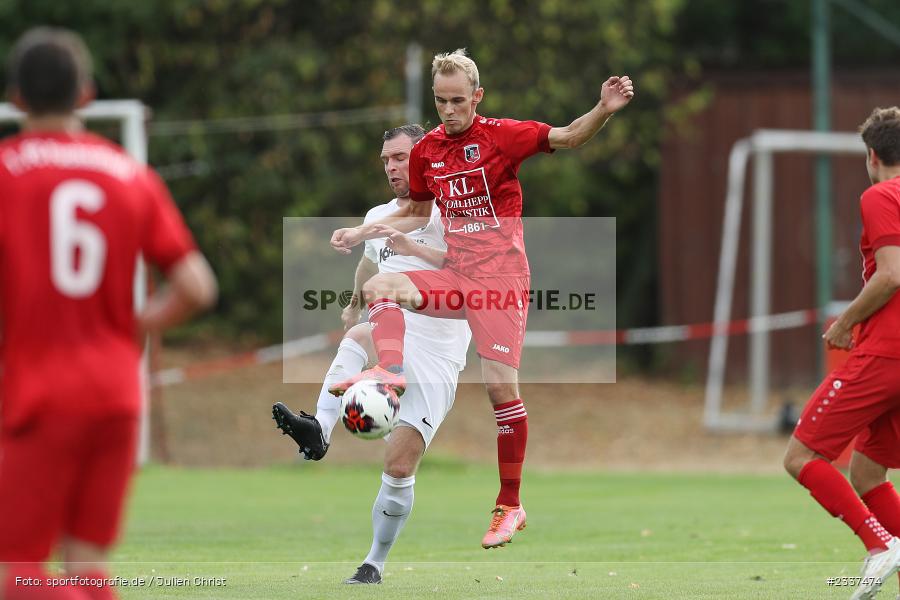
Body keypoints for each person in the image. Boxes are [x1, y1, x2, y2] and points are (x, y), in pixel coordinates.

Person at [329, 48, 634, 548]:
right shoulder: (427, 150)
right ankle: (388, 371)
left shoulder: (502, 136)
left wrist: (602, 108)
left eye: (457, 101)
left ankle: (510, 505)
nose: (449, 110)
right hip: (455, 275)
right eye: (440, 101)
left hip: (502, 282)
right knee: (378, 288)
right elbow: (412, 211)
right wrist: (364, 232)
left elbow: (570, 136)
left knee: (499, 389)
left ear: (477, 96)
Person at [0, 27, 217, 600]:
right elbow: (196, 286)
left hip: (39, 393)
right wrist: (133, 325)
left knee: (13, 572)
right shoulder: (129, 174)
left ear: (16, 98)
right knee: (87, 566)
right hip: (117, 393)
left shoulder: (6, 171)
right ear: (87, 95)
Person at [272, 124, 471, 584]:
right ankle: (319, 430)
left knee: (399, 467)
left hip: (440, 348)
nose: (392, 167)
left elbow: (466, 269)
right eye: (386, 160)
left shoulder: (452, 207)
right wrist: (353, 302)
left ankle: (374, 561)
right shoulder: (379, 212)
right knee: (361, 333)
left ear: (423, 157)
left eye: (400, 157)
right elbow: (370, 264)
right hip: (389, 329)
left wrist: (400, 243)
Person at [783, 106, 900, 600]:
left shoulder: (880, 194)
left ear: (872, 156)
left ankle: (880, 545)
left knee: (801, 455)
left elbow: (892, 274)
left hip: (887, 353)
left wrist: (846, 321)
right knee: (868, 469)